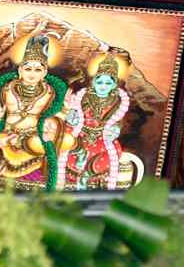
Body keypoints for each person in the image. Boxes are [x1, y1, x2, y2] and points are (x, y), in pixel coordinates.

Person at [0, 35, 73, 191]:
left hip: (32, 136)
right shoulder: (6, 88)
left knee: (66, 140)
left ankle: (4, 158)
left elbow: (56, 117)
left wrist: (64, 110)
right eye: (28, 68)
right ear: (20, 70)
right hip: (4, 130)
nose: (32, 73)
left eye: (38, 69)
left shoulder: (51, 92)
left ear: (44, 73)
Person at [59, 51, 145, 191]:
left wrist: (114, 130)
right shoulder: (83, 96)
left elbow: (118, 123)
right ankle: (79, 154)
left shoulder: (118, 101)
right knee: (64, 138)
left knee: (111, 154)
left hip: (101, 138)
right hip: (80, 134)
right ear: (93, 82)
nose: (103, 86)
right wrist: (68, 110)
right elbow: (72, 117)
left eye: (107, 82)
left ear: (114, 84)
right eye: (99, 82)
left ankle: (87, 174)